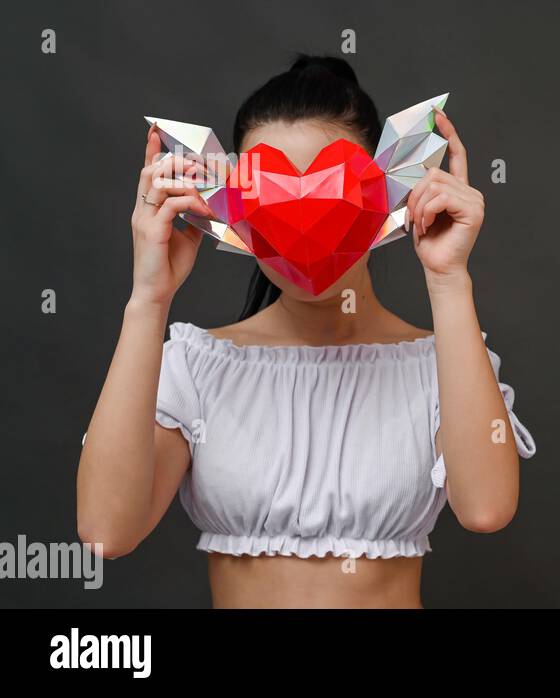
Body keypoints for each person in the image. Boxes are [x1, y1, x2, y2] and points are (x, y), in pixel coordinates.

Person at [76, 55, 536, 608]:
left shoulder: (438, 367)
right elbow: (106, 531)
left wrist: (449, 280)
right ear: (228, 210)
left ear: (388, 192)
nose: (302, 229)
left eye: (329, 195)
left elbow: (486, 509)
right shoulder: (197, 366)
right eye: (270, 199)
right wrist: (148, 301)